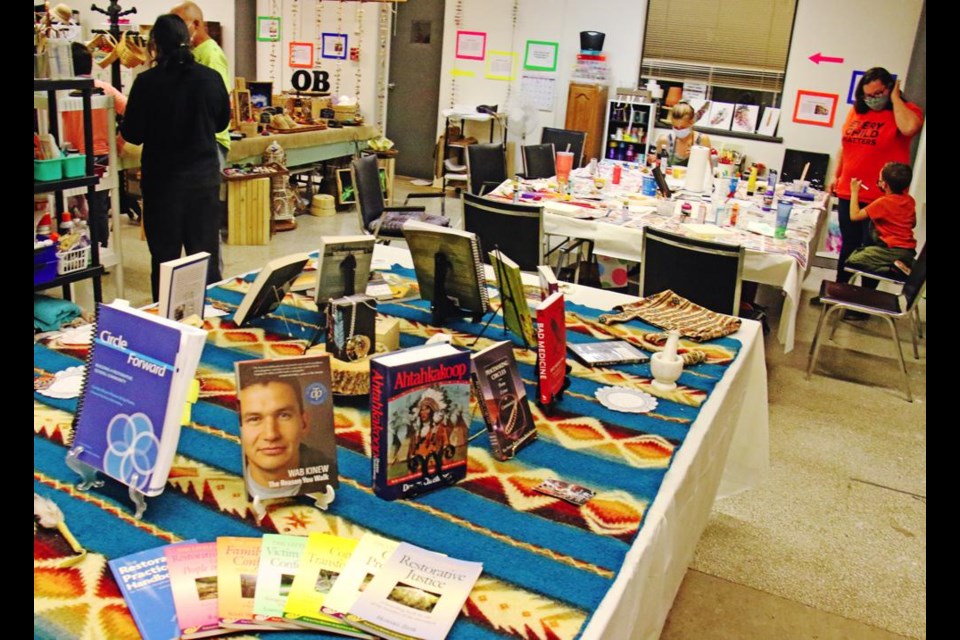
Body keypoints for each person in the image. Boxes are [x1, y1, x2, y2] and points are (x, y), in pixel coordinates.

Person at [120, 13, 230, 301]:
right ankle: (209, 321)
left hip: (163, 184)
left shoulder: (146, 83)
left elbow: (132, 134)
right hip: (203, 181)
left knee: (165, 260)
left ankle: (166, 322)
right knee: (204, 256)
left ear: (155, 44)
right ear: (189, 39)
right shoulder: (210, 79)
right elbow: (221, 124)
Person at [827, 67, 923, 287]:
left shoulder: (906, 111)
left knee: (873, 249)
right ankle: (839, 290)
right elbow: (845, 145)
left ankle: (863, 300)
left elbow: (910, 128)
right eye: (866, 95)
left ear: (889, 89)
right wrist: (836, 175)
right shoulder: (857, 111)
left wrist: (896, 99)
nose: (871, 100)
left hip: (883, 198)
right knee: (849, 244)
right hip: (850, 190)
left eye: (877, 94)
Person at [237, 376, 332, 499]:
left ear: (304, 423)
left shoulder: (341, 480)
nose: (271, 435)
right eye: (254, 419)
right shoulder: (220, 474)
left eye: (284, 416)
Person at [170, 1, 230, 161]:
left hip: (210, 140)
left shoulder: (211, 55)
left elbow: (218, 101)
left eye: (180, 25)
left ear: (195, 24)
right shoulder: (192, 53)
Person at [846, 162, 917, 287]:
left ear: (884, 184)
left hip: (891, 250)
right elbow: (913, 223)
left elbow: (855, 215)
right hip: (908, 251)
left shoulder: (883, 202)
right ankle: (897, 264)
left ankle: (894, 269)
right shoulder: (909, 200)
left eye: (879, 180)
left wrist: (854, 191)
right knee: (867, 252)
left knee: (853, 260)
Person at [650, 102, 712, 167]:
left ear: (691, 122)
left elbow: (709, 169)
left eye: (682, 127)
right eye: (675, 127)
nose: (679, 130)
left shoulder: (702, 140)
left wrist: (697, 156)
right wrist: (652, 160)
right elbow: (655, 165)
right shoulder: (664, 140)